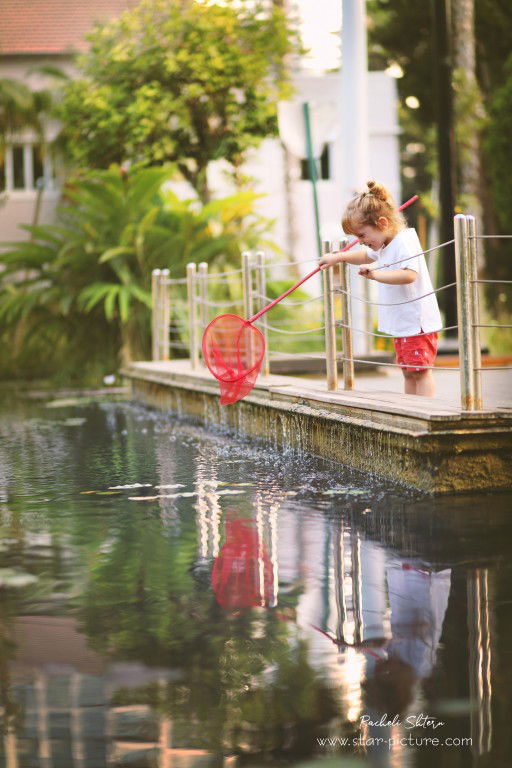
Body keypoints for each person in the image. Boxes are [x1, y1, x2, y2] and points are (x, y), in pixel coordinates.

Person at [320, 181, 442, 397]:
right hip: (404, 323)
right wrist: (338, 257)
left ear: (383, 223)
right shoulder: (385, 244)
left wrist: (376, 275)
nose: (360, 242)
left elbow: (409, 275)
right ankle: (411, 409)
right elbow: (364, 256)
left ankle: (425, 409)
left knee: (420, 372)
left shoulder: (403, 242)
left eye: (362, 235)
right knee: (408, 372)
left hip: (417, 323)